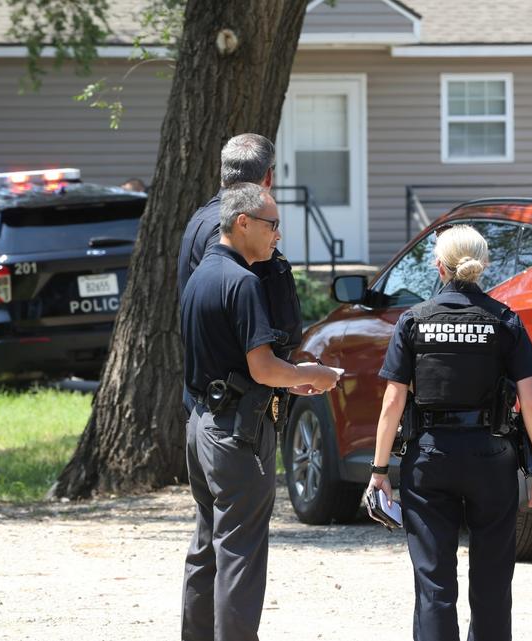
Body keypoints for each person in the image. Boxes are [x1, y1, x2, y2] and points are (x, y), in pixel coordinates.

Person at [365, 224, 532, 641]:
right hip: (491, 458)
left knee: (434, 584)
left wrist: (379, 470)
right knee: (492, 581)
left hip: (429, 459)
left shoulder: (414, 321)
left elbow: (392, 403)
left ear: (438, 266)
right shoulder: (504, 320)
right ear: (484, 265)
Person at [180, 183, 341, 641]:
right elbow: (263, 366)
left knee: (206, 548)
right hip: (236, 433)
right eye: (271, 225)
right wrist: (314, 374)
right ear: (243, 223)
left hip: (201, 426)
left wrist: (292, 375)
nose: (278, 236)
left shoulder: (201, 276)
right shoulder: (244, 282)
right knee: (240, 555)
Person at [177, 133, 302, 357]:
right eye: (272, 227)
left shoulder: (204, 217)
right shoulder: (231, 227)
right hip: (240, 378)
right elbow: (230, 312)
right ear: (268, 177)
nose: (277, 236)